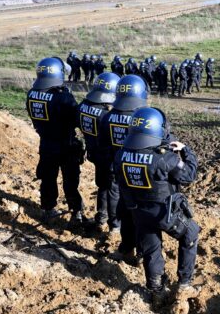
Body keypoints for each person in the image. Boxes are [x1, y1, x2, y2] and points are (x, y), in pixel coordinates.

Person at [113, 107, 200, 301]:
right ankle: (184, 284)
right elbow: (188, 175)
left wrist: (133, 208)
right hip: (165, 213)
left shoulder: (121, 155)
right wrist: (186, 151)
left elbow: (121, 186)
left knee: (152, 250)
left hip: (139, 211)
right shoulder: (164, 157)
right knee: (191, 233)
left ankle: (156, 290)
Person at [26, 57, 88, 224]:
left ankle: (48, 209)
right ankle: (76, 212)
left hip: (46, 143)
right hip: (66, 145)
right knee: (70, 181)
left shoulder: (32, 93)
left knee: (48, 178)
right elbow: (77, 119)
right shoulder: (62, 97)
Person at [98, 74, 149, 263]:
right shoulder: (145, 119)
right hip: (142, 174)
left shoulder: (107, 117)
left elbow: (102, 146)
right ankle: (143, 253)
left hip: (119, 173)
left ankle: (127, 249)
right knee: (143, 215)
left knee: (126, 211)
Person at [78, 72, 120, 229]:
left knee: (102, 186)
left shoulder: (83, 105)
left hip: (94, 153)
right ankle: (114, 226)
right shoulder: (108, 113)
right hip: (110, 157)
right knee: (114, 190)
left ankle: (101, 216)